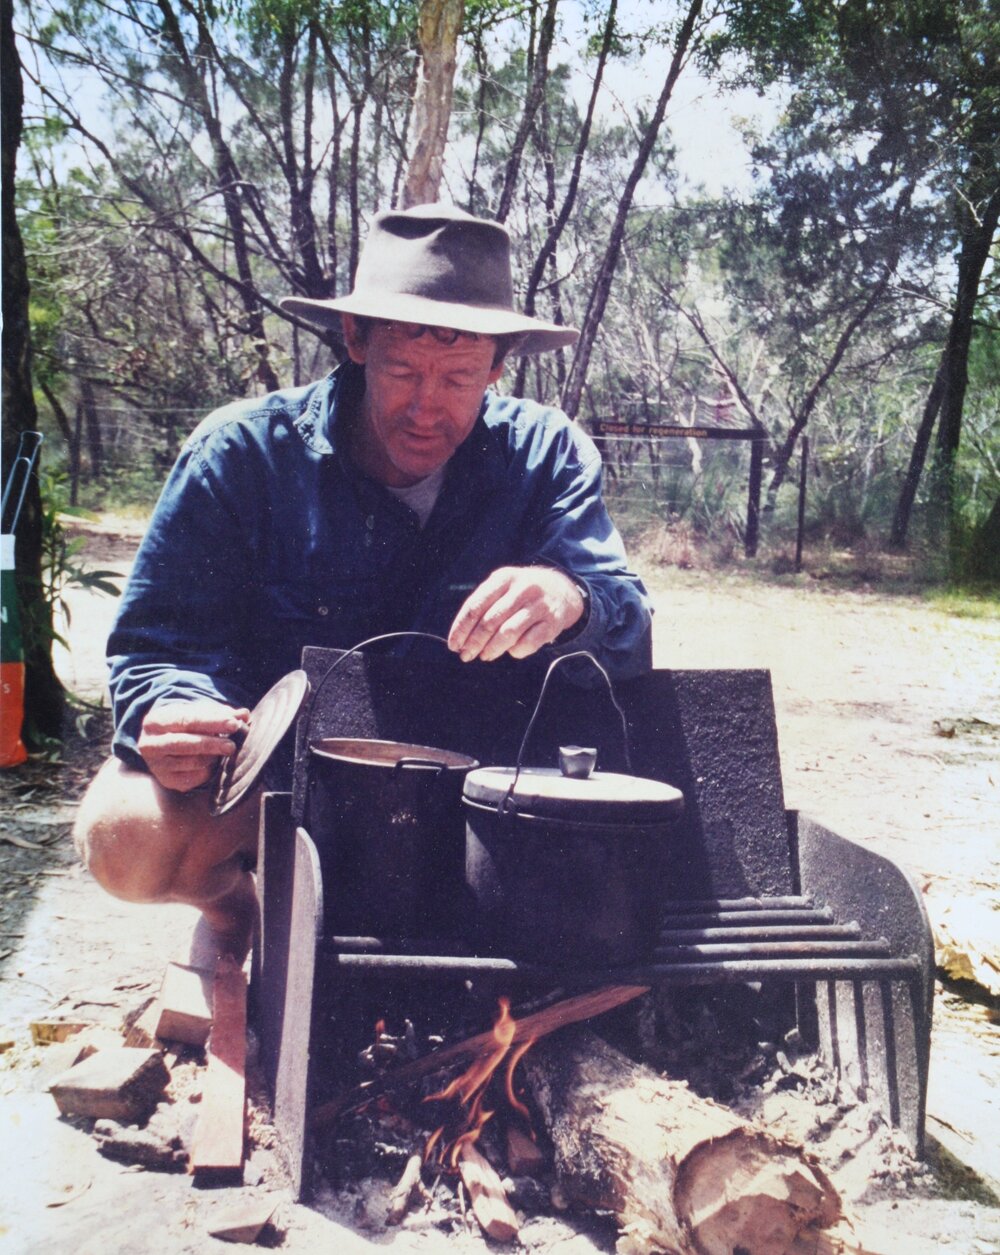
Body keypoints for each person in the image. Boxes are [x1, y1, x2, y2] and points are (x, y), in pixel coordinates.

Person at [73, 203, 652, 963]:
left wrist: (567, 597)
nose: (425, 407)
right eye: (403, 370)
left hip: (478, 792)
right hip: (287, 788)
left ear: (501, 364)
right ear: (355, 341)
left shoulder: (546, 456)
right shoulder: (240, 455)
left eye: (458, 377)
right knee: (123, 833)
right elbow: (157, 645)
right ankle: (231, 909)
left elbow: (628, 626)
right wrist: (171, 708)